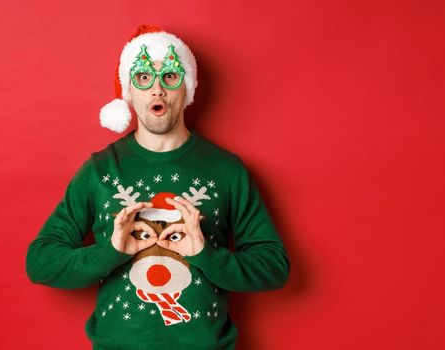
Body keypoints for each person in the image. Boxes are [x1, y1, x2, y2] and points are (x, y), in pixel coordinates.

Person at [26, 24, 290, 349]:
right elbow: (40, 262)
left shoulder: (227, 170)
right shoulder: (100, 171)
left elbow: (275, 267)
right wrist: (111, 252)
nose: (157, 90)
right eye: (143, 78)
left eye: (169, 76)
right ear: (129, 91)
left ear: (188, 87)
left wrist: (205, 255)